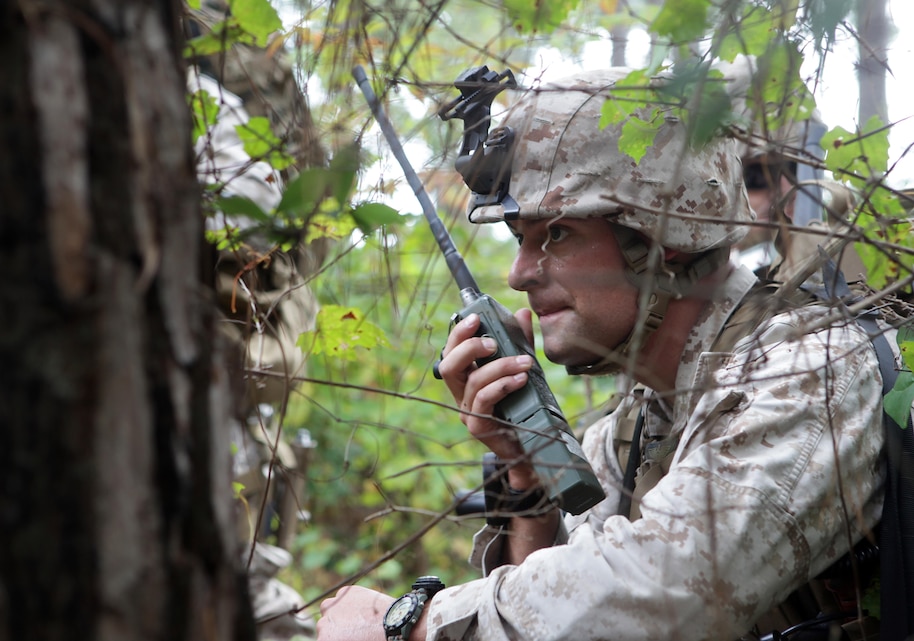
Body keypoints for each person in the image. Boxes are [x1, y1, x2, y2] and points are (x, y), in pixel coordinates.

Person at [317, 68, 891, 640]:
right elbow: (559, 604)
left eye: (557, 236)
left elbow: (667, 593)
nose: (518, 275)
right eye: (521, 239)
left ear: (662, 236)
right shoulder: (637, 426)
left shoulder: (810, 369)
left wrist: (413, 626)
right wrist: (528, 477)